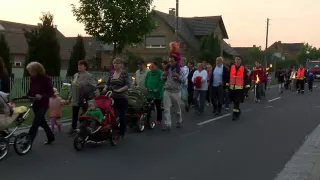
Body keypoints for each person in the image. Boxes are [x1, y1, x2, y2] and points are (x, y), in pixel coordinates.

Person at [26, 62, 55, 145]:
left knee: (35, 123)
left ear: (37, 70)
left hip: (43, 104)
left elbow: (51, 92)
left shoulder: (46, 79)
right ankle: (51, 137)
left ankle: (28, 142)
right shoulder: (33, 78)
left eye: (31, 71)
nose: (30, 73)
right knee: (42, 122)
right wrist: (27, 95)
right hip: (35, 103)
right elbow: (32, 90)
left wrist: (42, 96)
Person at [68, 60, 99, 136]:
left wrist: (97, 96)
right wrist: (70, 97)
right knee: (74, 113)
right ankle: (73, 128)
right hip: (75, 97)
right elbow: (73, 86)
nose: (79, 67)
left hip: (84, 98)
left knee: (85, 113)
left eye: (81, 65)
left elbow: (94, 86)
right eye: (78, 65)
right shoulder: (76, 75)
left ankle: (84, 128)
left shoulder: (89, 76)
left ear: (85, 67)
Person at [104, 58, 130, 138]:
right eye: (114, 63)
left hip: (122, 96)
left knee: (122, 114)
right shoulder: (111, 73)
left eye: (117, 63)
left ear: (121, 64)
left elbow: (128, 85)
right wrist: (105, 88)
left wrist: (119, 90)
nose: (115, 65)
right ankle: (113, 129)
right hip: (112, 96)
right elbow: (107, 83)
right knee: (112, 114)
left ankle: (122, 132)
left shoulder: (124, 73)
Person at [162, 55, 187, 131]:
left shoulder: (180, 70)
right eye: (169, 61)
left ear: (176, 61)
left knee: (177, 109)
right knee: (166, 108)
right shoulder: (167, 69)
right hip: (167, 90)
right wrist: (163, 77)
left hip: (176, 91)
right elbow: (162, 77)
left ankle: (179, 121)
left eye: (172, 61)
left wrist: (178, 76)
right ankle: (167, 124)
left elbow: (184, 81)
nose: (170, 63)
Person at [229, 56, 249, 121]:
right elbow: (228, 77)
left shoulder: (243, 69)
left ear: (241, 61)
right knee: (234, 101)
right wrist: (226, 86)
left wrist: (246, 90)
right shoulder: (231, 67)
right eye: (236, 59)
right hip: (232, 89)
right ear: (234, 61)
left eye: (239, 59)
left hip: (239, 89)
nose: (237, 61)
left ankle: (235, 115)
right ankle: (238, 111)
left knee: (237, 102)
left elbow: (246, 80)